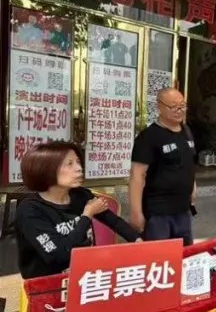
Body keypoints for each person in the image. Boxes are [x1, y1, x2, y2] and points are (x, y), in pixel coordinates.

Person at [15, 141, 140, 279]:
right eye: (69, 164)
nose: (79, 168)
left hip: (84, 274)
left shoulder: (80, 195)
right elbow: (59, 256)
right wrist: (87, 215)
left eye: (78, 162)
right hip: (47, 282)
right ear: (45, 169)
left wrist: (138, 240)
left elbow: (114, 221)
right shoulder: (30, 210)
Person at [128, 88, 197, 244]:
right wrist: (136, 212)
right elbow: (136, 176)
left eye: (182, 106)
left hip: (183, 210)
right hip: (158, 213)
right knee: (159, 255)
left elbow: (189, 162)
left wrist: (193, 187)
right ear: (159, 106)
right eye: (173, 106)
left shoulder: (187, 131)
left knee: (184, 253)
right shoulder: (148, 137)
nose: (179, 110)